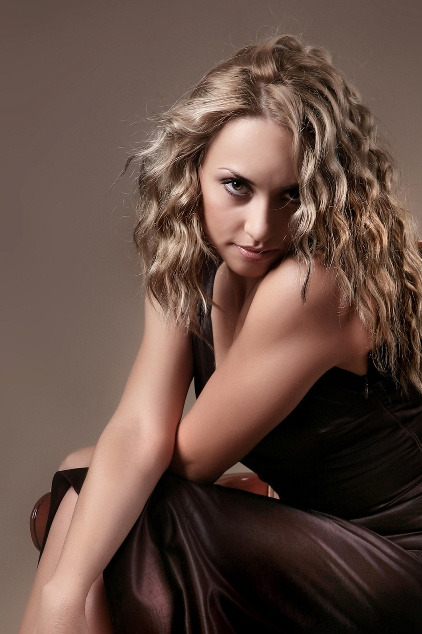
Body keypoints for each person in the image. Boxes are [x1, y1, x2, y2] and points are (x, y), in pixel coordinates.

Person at [19, 34, 422, 634]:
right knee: (95, 491)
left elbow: (190, 462)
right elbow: (140, 428)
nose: (260, 228)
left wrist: (70, 583)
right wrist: (61, 594)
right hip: (320, 533)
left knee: (104, 496)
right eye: (237, 186)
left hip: (396, 561)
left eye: (291, 196)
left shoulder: (311, 285)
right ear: (194, 171)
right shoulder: (188, 259)